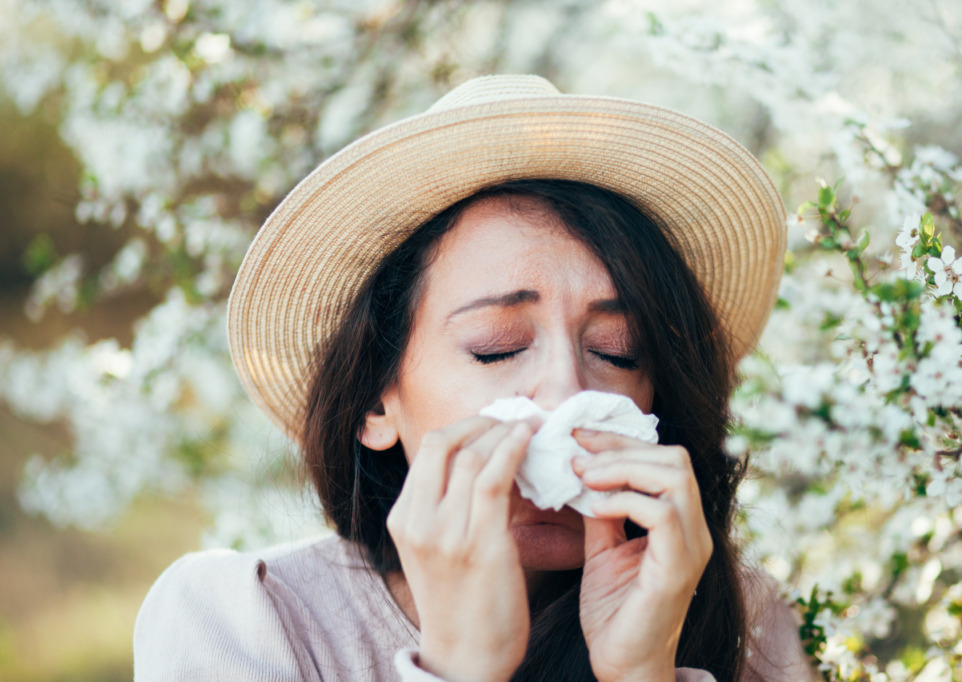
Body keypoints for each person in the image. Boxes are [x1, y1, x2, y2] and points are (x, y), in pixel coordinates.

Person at [134, 75, 815, 681]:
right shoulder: (243, 622)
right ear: (376, 399)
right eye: (496, 348)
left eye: (616, 350)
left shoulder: (753, 632)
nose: (568, 392)